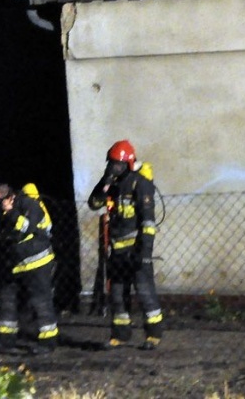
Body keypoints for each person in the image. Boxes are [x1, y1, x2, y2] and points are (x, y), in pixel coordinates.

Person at [88, 139, 163, 350]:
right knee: (118, 294)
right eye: (111, 164)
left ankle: (153, 335)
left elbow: (148, 222)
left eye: (117, 164)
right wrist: (105, 182)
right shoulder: (111, 184)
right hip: (118, 251)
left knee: (145, 291)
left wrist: (145, 251)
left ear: (128, 163)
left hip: (136, 250)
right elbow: (94, 204)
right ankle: (120, 335)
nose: (114, 168)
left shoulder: (141, 184)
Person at [0, 183, 59, 354]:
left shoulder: (29, 205)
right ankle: (6, 340)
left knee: (40, 301)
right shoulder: (1, 211)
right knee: (7, 300)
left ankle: (48, 342)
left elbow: (26, 228)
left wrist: (10, 212)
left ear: (10, 198)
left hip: (37, 262)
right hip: (15, 263)